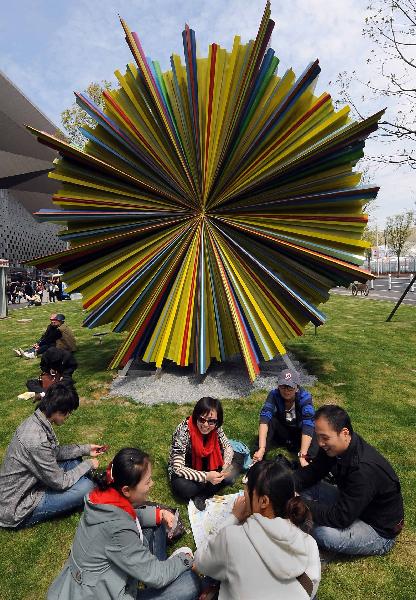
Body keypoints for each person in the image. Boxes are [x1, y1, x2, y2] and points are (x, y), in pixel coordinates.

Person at [47, 447, 200, 600]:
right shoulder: (118, 529)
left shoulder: (102, 498)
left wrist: (158, 515)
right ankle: (162, 570)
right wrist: (185, 559)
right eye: (147, 482)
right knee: (189, 585)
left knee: (155, 524)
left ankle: (160, 569)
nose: (152, 484)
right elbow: (155, 575)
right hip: (104, 593)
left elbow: (128, 517)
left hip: (93, 582)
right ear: (126, 490)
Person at [194, 460, 321, 600]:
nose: (244, 493)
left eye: (247, 488)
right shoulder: (310, 544)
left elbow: (200, 561)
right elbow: (311, 592)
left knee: (207, 579)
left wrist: (233, 517)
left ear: (264, 501)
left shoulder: (232, 538)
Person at [294, 404, 404, 556]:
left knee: (324, 534)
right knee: (307, 488)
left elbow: (340, 518)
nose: (319, 443)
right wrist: (283, 485)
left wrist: (299, 504)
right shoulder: (335, 447)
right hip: (352, 503)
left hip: (377, 529)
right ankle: (299, 516)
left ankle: (298, 519)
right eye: (317, 436)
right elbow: (313, 472)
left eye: (324, 437)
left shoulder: (363, 469)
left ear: (344, 433)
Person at [0, 384, 106, 528]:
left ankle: (86, 478)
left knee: (73, 460)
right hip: (16, 506)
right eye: (69, 412)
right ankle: (89, 481)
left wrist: (86, 449)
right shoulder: (36, 440)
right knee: (86, 487)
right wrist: (88, 464)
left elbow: (54, 453)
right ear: (58, 411)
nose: (68, 416)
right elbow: (60, 482)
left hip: (30, 482)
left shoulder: (36, 421)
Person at [168, 397, 237, 510]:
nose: (205, 425)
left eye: (211, 421)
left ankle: (203, 494)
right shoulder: (183, 430)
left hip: (208, 462)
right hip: (187, 465)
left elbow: (227, 446)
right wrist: (206, 477)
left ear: (217, 421)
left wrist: (226, 465)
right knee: (182, 488)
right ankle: (212, 486)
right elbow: (177, 468)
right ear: (196, 416)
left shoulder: (216, 428)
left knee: (231, 469)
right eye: (202, 419)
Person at [253, 368, 318, 467]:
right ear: (278, 386)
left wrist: (302, 455)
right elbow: (264, 419)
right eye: (283, 387)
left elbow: (308, 424)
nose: (286, 391)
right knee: (270, 420)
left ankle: (309, 462)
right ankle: (258, 458)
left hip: (300, 433)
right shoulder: (274, 394)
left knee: (315, 428)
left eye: (290, 387)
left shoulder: (304, 397)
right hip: (282, 431)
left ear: (297, 387)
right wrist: (261, 448)